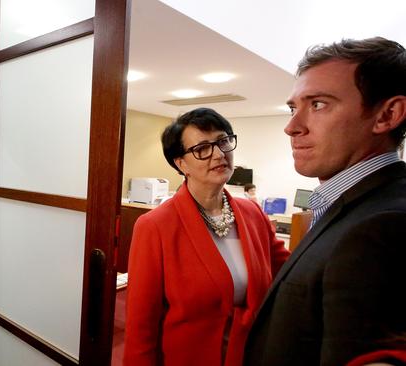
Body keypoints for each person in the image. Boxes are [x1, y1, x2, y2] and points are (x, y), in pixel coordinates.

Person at [244, 37, 406, 366]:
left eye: (318, 104)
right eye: (293, 108)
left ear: (387, 115)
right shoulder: (351, 207)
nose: (292, 127)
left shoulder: (383, 227)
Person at [124, 107, 290, 365]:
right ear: (181, 164)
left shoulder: (253, 213)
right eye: (202, 148)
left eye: (223, 141)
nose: (218, 154)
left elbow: (290, 276)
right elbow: (140, 324)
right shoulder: (155, 226)